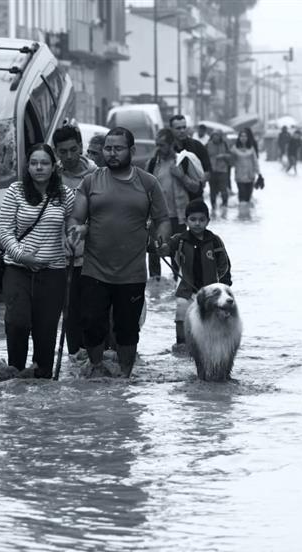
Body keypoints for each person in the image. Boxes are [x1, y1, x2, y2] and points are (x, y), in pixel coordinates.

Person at [68, 127, 171, 378]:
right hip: (94, 269)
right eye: (108, 148)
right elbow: (75, 217)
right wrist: (77, 229)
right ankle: (96, 369)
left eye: (118, 148)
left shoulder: (148, 183)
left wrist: (162, 237)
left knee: (127, 331)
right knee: (92, 325)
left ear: (131, 151)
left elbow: (163, 218)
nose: (112, 154)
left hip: (132, 272)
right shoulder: (91, 181)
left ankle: (125, 378)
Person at [0, 143, 75, 378]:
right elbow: (5, 232)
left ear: (54, 167)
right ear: (27, 166)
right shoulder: (15, 191)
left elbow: (74, 226)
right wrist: (23, 256)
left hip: (53, 273)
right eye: (33, 163)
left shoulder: (66, 195)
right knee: (17, 324)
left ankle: (42, 384)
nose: (39, 168)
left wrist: (72, 239)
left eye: (44, 163)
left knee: (46, 331)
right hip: (17, 270)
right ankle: (15, 378)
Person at [162, 199, 232, 354]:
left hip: (210, 292)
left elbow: (225, 264)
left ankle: (213, 346)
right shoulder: (179, 240)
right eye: (193, 220)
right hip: (187, 290)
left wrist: (225, 286)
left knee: (213, 320)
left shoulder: (214, 241)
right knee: (181, 312)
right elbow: (165, 249)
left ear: (208, 221)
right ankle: (181, 345)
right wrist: (159, 247)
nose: (197, 223)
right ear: (186, 221)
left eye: (201, 220)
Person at [52, 124, 97, 359]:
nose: (68, 156)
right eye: (62, 152)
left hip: (93, 258)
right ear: (56, 152)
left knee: (93, 314)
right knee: (69, 316)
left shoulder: (96, 175)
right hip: (62, 259)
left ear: (81, 147)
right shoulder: (52, 177)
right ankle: (75, 360)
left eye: (73, 149)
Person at [146, 127, 203, 279]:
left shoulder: (182, 161)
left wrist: (181, 176)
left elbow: (196, 187)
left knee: (177, 255)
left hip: (177, 216)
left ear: (171, 144)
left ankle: (178, 289)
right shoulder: (152, 163)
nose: (158, 148)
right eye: (156, 144)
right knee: (154, 254)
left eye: (162, 145)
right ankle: (155, 292)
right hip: (157, 216)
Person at [168, 115, 211, 199]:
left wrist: (200, 183)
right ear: (171, 129)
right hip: (174, 198)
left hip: (195, 197)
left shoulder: (197, 146)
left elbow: (208, 170)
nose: (182, 131)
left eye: (184, 127)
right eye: (178, 128)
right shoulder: (167, 149)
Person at [231, 127, 260, 218]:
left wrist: (259, 173)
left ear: (248, 138)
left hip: (250, 176)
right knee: (242, 195)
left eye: (245, 136)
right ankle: (242, 216)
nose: (243, 138)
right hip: (239, 176)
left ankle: (246, 217)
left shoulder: (251, 148)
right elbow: (230, 161)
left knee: (248, 197)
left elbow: (255, 161)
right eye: (241, 136)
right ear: (239, 138)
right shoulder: (234, 149)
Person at [206, 130, 232, 210]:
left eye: (217, 136)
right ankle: (213, 206)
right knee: (212, 190)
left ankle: (224, 205)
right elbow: (203, 156)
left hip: (223, 170)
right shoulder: (208, 145)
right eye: (214, 136)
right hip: (212, 170)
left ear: (220, 137)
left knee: (223, 189)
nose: (215, 137)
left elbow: (230, 156)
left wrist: (223, 156)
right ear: (211, 137)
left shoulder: (224, 144)